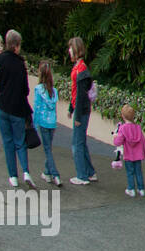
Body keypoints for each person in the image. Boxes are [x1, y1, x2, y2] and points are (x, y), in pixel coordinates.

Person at [0, 30, 34, 188]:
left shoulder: (1, 59)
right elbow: (25, 90)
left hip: (3, 106)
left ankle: (13, 177)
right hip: (17, 109)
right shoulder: (20, 63)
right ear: (17, 46)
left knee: (8, 142)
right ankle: (25, 171)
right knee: (20, 141)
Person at [67, 36, 97, 185]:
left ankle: (82, 176)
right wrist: (71, 108)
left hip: (82, 112)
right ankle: (90, 172)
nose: (69, 51)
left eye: (71, 48)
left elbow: (80, 95)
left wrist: (76, 114)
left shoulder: (81, 69)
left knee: (76, 143)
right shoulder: (80, 67)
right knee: (81, 142)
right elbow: (77, 93)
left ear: (76, 49)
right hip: (81, 110)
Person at [33, 60, 62, 188]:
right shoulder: (54, 91)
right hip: (52, 123)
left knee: (47, 150)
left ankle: (55, 174)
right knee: (48, 148)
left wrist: (34, 124)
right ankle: (47, 173)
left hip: (43, 123)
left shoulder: (38, 89)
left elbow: (37, 107)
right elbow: (54, 108)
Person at [112, 104, 145, 198]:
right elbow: (143, 141)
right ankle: (141, 189)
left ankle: (131, 189)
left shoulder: (123, 128)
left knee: (130, 172)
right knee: (138, 172)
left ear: (123, 116)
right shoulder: (137, 127)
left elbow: (118, 142)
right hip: (138, 155)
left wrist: (115, 137)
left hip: (128, 155)